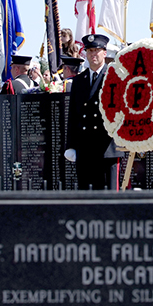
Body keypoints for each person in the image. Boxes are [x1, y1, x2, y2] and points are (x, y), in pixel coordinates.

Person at [65, 33, 123, 190]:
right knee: (86, 198)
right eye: (89, 51)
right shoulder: (78, 81)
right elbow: (73, 116)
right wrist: (70, 145)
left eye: (96, 50)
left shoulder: (114, 77)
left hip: (107, 148)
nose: (93, 55)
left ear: (104, 53)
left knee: (109, 197)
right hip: (85, 148)